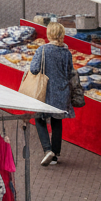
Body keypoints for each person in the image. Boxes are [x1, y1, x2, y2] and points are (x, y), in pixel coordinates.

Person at [29, 22, 74, 166]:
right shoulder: (66, 52)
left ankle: (47, 149)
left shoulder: (42, 50)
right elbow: (70, 72)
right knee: (57, 121)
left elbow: (34, 69)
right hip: (62, 91)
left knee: (39, 118)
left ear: (49, 34)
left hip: (46, 90)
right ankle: (55, 155)